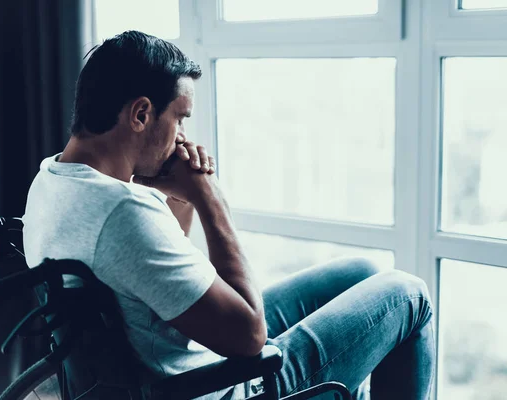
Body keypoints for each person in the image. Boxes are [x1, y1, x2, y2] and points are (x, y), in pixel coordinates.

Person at [23, 30, 435, 399]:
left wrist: (179, 198)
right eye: (179, 118)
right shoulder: (122, 212)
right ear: (141, 114)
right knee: (408, 293)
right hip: (227, 384)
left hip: (179, 355)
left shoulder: (52, 180)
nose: (182, 136)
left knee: (360, 272)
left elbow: (156, 286)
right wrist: (208, 198)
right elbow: (250, 338)